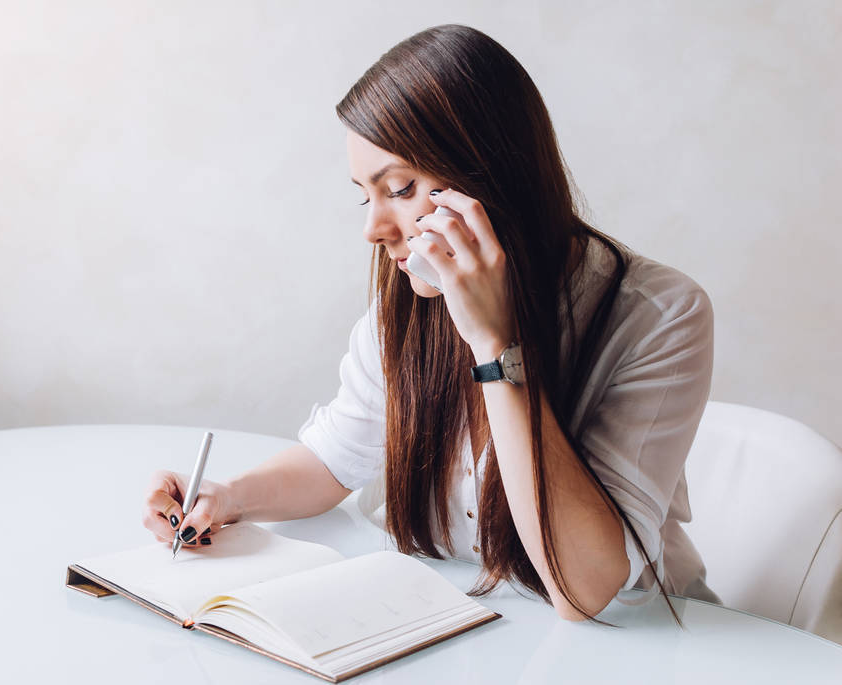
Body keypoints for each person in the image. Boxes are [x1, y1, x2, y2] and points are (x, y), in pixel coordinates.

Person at [142, 24, 719, 622]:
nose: (374, 228)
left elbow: (585, 587)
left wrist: (496, 347)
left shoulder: (661, 316)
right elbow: (337, 457)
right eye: (367, 196)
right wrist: (225, 497)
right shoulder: (410, 303)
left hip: (643, 643)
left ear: (493, 175)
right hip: (478, 628)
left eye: (400, 188)